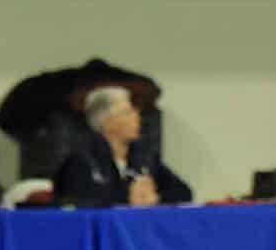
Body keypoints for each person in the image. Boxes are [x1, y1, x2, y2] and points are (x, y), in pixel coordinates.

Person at [52, 85, 193, 208]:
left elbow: (184, 192)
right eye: (128, 112)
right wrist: (127, 198)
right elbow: (79, 202)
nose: (137, 117)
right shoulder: (81, 160)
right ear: (107, 122)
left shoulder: (144, 156)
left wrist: (156, 197)